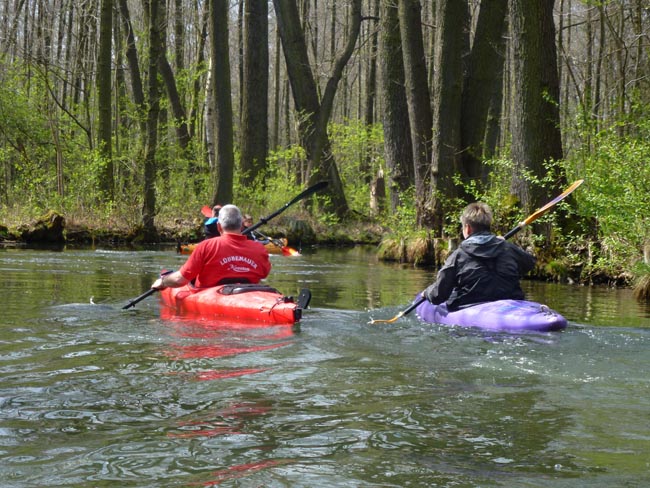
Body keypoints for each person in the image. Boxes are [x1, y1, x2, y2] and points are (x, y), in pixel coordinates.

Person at [423, 202, 536, 310]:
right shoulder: (508, 248)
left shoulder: (458, 255)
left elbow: (438, 296)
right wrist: (503, 246)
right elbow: (530, 263)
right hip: (511, 302)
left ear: (467, 228)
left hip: (470, 305)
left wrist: (426, 293)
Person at [152, 204, 271, 290]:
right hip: (249, 296)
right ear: (241, 226)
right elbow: (264, 274)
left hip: (212, 297)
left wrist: (164, 281)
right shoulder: (259, 248)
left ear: (219, 227)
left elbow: (179, 280)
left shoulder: (206, 246)